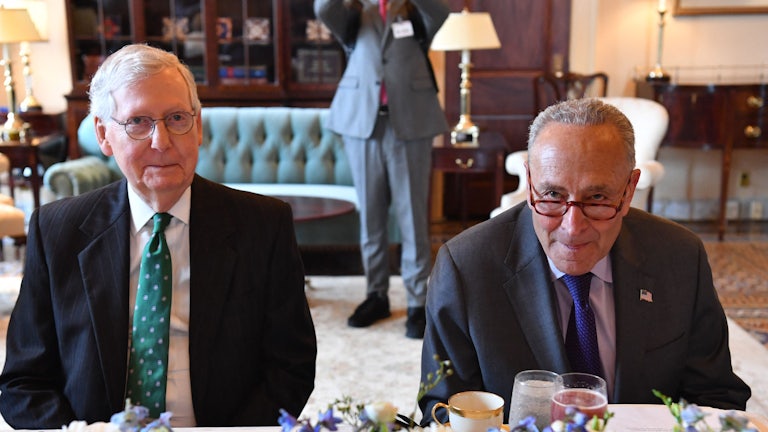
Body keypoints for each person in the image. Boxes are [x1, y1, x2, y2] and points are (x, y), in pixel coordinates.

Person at [0, 44, 317, 428]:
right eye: (138, 122)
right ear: (103, 134)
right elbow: (23, 382)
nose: (161, 141)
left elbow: (291, 367)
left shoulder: (263, 226)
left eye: (177, 118)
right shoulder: (57, 232)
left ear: (198, 127)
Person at [419, 98, 751, 422]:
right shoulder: (465, 268)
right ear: (530, 182)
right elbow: (444, 412)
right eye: (552, 195)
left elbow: (716, 401)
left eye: (597, 198)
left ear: (629, 189)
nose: (572, 228)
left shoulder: (679, 258)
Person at [314, 0, 450, 339]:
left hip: (411, 124)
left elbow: (440, 11)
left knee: (412, 217)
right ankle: (376, 295)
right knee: (370, 216)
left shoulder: (414, 12)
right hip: (363, 124)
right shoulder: (355, 13)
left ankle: (418, 302)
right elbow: (323, 9)